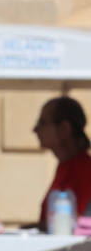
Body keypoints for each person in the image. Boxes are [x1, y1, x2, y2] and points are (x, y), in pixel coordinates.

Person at [34, 95, 91, 226]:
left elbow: (80, 225)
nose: (35, 130)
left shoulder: (86, 171)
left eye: (42, 123)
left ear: (64, 128)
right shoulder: (65, 167)